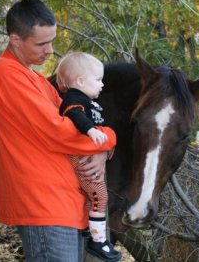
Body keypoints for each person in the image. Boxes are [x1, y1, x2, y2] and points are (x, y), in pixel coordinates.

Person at [0, 0, 117, 262]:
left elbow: (84, 124)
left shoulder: (36, 79)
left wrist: (107, 144)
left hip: (64, 203)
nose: (50, 50)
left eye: (52, 41)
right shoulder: (5, 74)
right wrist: (106, 141)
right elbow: (60, 131)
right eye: (42, 43)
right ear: (16, 40)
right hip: (43, 203)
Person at [56, 52, 122, 262]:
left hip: (88, 154)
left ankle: (91, 231)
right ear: (80, 81)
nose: (102, 84)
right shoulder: (74, 99)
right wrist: (91, 131)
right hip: (82, 158)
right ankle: (98, 241)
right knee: (99, 196)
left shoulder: (88, 100)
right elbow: (75, 115)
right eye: (98, 79)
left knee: (93, 197)